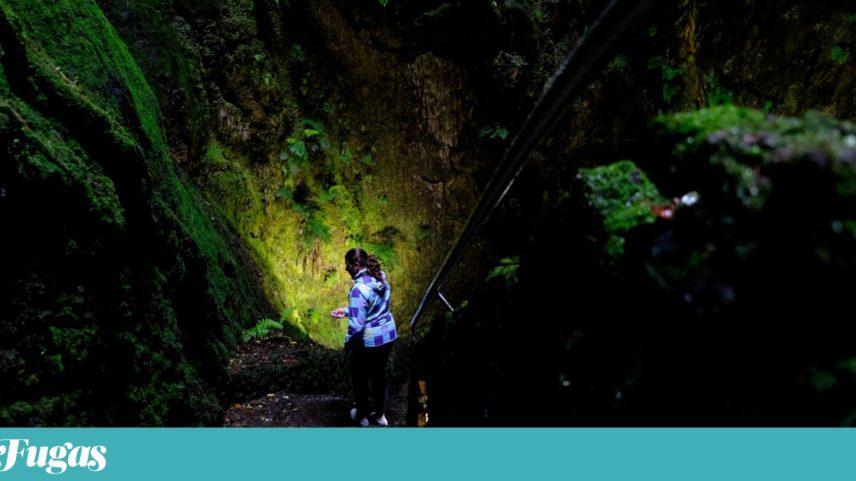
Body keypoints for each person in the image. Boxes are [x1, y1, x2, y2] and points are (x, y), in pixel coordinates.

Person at [331, 248, 397, 426]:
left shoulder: (357, 290)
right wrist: (346, 311)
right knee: (379, 376)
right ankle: (380, 415)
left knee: (359, 377)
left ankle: (361, 416)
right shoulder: (380, 277)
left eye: (347, 266)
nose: (346, 269)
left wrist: (347, 345)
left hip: (370, 341)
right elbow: (374, 307)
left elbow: (356, 326)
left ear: (356, 265)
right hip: (388, 336)